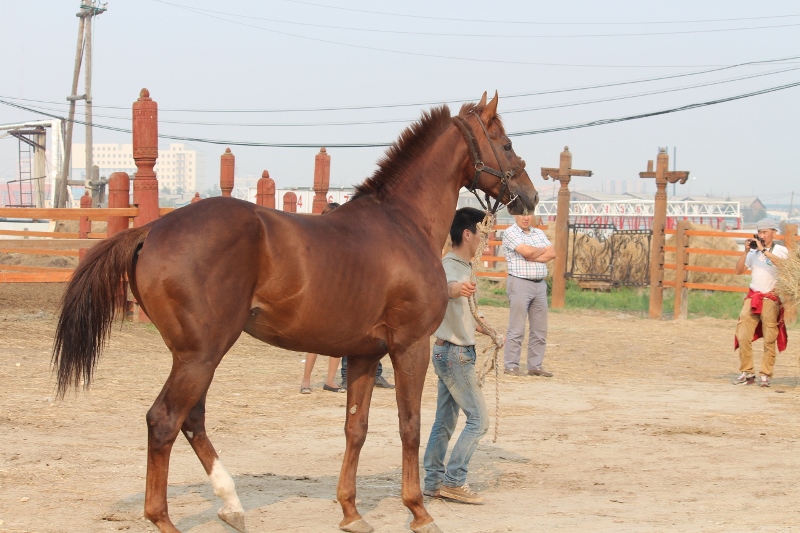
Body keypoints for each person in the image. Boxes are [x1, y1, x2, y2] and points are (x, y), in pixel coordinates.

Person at [423, 207, 502, 505]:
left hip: (449, 351)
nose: (485, 238)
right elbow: (446, 289)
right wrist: (457, 289)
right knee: (478, 421)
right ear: (467, 233)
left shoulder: (464, 266)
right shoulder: (449, 266)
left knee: (444, 420)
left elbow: (467, 312)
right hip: (455, 355)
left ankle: (433, 482)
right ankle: (454, 480)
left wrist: (490, 331)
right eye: (482, 232)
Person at [733, 218, 789, 387]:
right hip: (753, 296)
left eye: (765, 232)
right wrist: (745, 251)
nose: (762, 235)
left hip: (770, 298)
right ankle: (747, 372)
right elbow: (738, 271)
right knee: (742, 334)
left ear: (774, 233)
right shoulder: (753, 252)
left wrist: (764, 250)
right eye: (760, 232)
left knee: (770, 338)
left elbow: (784, 266)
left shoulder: (780, 250)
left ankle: (765, 374)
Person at [501, 214, 556, 377]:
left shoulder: (538, 233)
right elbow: (525, 251)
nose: (526, 218)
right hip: (519, 282)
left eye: (528, 214)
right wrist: (539, 251)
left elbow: (552, 253)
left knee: (540, 328)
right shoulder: (510, 233)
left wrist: (533, 254)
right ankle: (511, 365)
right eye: (522, 214)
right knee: (517, 327)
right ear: (515, 215)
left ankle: (535, 365)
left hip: (539, 284)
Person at [300, 202, 345, 394]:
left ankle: (328, 380)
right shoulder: (319, 238)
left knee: (338, 339)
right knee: (315, 340)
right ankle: (307, 380)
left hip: (337, 291)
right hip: (323, 292)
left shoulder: (339, 238)